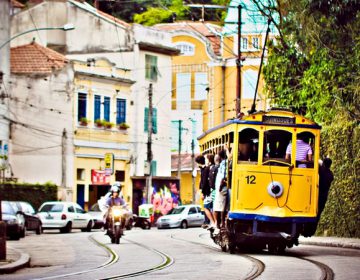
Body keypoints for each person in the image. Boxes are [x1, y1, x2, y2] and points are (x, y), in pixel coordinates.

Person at [213, 149, 228, 231]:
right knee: (221, 206)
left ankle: (220, 223)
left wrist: (220, 186)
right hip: (220, 186)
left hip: (221, 186)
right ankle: (220, 223)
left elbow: (223, 176)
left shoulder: (223, 163)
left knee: (220, 206)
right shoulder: (224, 163)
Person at [195, 154, 211, 227]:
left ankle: (208, 221)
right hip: (206, 191)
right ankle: (207, 221)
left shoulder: (205, 169)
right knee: (206, 206)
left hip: (206, 192)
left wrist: (202, 193)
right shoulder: (203, 169)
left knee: (206, 206)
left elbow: (204, 182)